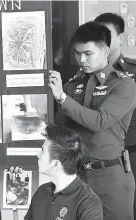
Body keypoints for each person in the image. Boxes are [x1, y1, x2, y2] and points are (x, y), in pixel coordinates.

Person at [50, 21, 136, 220]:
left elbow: (99, 122)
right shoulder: (71, 85)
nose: (81, 59)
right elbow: (61, 131)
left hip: (111, 177)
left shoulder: (124, 85)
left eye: (88, 53)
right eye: (77, 53)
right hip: (76, 176)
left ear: (105, 50)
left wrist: (62, 98)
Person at [94, 13, 136, 217]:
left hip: (132, 155)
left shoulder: (133, 72)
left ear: (120, 37)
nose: (103, 40)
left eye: (108, 34)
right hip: (98, 162)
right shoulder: (83, 77)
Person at [18, 124, 103, 220]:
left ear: (55, 164)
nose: (38, 155)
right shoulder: (41, 192)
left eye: (42, 151)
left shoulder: (87, 203)